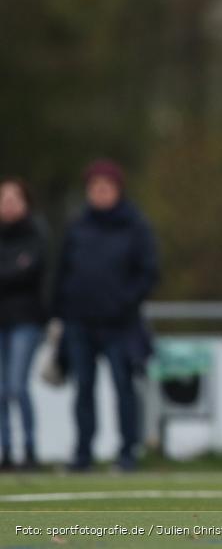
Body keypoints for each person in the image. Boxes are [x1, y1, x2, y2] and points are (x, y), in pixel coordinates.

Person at [54, 160, 159, 471]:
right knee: (83, 389)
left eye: (105, 187)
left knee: (124, 389)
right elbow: (62, 272)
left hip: (121, 324)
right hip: (79, 322)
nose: (99, 193)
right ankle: (82, 454)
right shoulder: (77, 226)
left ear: (117, 190)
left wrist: (124, 302)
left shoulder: (136, 226)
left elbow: (148, 273)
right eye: (94, 188)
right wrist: (60, 311)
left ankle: (128, 452)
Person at [0, 178, 47, 470]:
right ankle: (5, 450)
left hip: (26, 320)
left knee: (18, 386)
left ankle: (29, 449)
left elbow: (30, 272)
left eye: (13, 198)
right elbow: (17, 272)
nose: (7, 204)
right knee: (1, 389)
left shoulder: (36, 234)